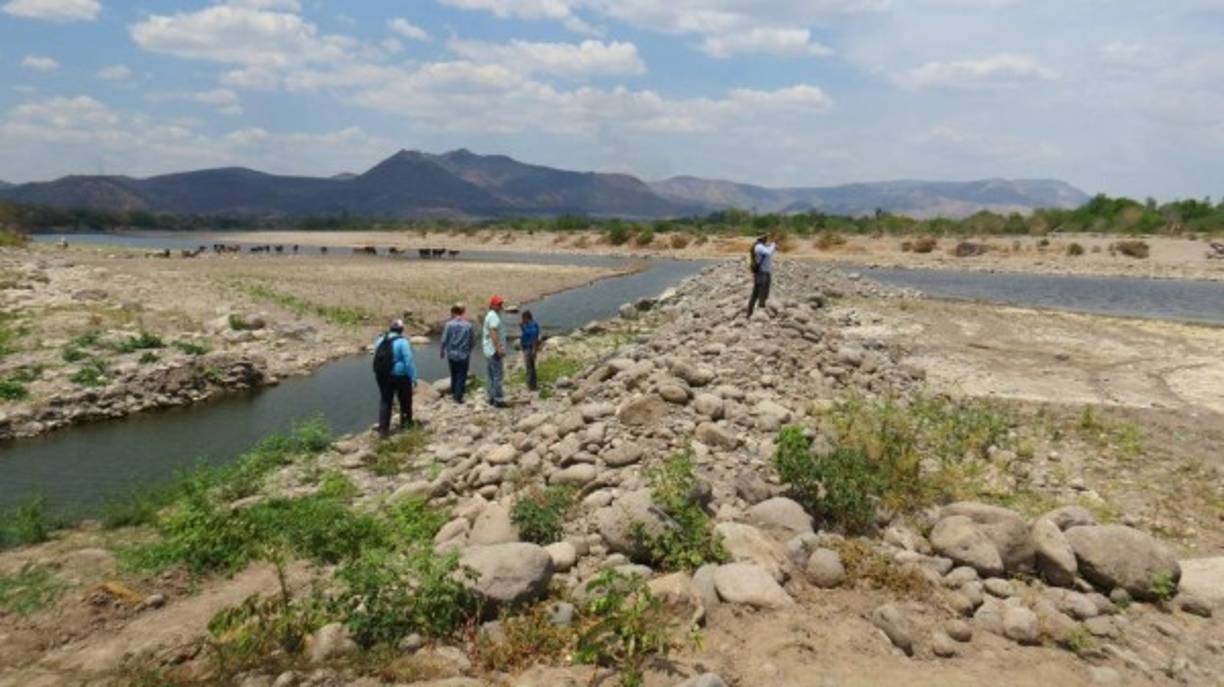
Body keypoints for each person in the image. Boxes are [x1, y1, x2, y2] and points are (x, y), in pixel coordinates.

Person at [372, 319, 417, 438]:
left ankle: (383, 430)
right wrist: (413, 377)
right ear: (401, 330)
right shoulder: (403, 342)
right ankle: (406, 424)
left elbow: (375, 356)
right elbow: (409, 360)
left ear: (390, 328)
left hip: (382, 375)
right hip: (400, 375)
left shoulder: (380, 340)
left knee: (386, 400)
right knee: (405, 400)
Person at [439, 303, 474, 403]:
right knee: (462, 375)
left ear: (454, 312)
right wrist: (469, 350)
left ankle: (454, 393)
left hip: (452, 354)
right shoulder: (468, 325)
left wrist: (442, 351)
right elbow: (472, 341)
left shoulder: (449, 324)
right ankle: (458, 397)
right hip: (464, 354)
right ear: (462, 312)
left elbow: (444, 339)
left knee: (453, 374)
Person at [483, 295, 508, 407]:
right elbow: (493, 332)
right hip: (493, 351)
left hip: (488, 350)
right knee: (497, 375)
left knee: (492, 375)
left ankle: (491, 398)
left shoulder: (490, 315)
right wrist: (499, 348)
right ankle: (498, 400)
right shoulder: (493, 316)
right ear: (493, 305)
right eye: (499, 304)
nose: (500, 306)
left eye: (501, 304)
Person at [746, 234, 777, 318]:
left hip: (763, 273)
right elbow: (769, 252)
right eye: (765, 238)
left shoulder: (762, 247)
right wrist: (774, 244)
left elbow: (769, 251)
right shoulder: (759, 247)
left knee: (757, 294)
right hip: (762, 274)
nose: (766, 239)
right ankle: (759, 314)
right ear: (762, 238)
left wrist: (772, 245)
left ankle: (750, 314)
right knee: (761, 294)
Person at [520, 310, 541, 392]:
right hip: (526, 347)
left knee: (529, 367)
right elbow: (525, 333)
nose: (522, 320)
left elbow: (534, 339)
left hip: (530, 348)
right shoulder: (528, 325)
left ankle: (530, 385)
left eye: (523, 318)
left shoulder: (533, 326)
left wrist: (534, 350)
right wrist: (522, 327)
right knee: (531, 367)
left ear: (526, 318)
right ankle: (532, 385)